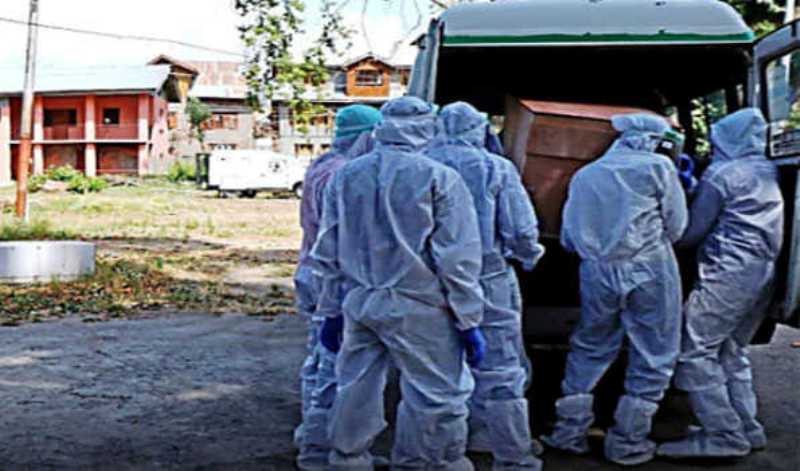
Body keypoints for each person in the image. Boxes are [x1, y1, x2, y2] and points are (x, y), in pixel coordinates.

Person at [311, 96, 487, 470]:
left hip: (360, 301)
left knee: (356, 388)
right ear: (427, 128)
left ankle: (347, 461)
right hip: (420, 307)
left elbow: (328, 248)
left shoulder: (347, 175)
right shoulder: (439, 177)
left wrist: (330, 309)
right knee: (436, 395)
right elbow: (457, 258)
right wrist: (469, 318)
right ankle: (422, 463)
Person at [541, 113, 688, 466]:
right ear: (653, 140)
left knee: (591, 345)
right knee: (654, 349)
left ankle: (569, 432)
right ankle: (627, 441)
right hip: (650, 266)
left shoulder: (587, 173)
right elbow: (677, 225)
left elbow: (569, 235)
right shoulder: (658, 168)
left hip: (597, 270)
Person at [658, 108, 784, 459]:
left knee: (693, 351)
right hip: (763, 271)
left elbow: (691, 233)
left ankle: (724, 435)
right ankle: (746, 426)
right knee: (731, 350)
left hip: (728, 273)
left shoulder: (722, 174)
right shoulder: (767, 169)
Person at [427, 102, 545, 471]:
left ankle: (448, 450)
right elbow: (520, 228)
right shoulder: (495, 167)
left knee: (439, 368)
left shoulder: (422, 164)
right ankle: (510, 453)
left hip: (430, 281)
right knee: (502, 367)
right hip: (488, 277)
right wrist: (529, 256)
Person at [293, 104, 382, 470]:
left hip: (313, 271)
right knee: (333, 366)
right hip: (331, 277)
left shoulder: (323, 164)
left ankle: (314, 440)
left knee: (319, 359)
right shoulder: (342, 174)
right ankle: (321, 449)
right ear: (363, 137)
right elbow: (344, 236)